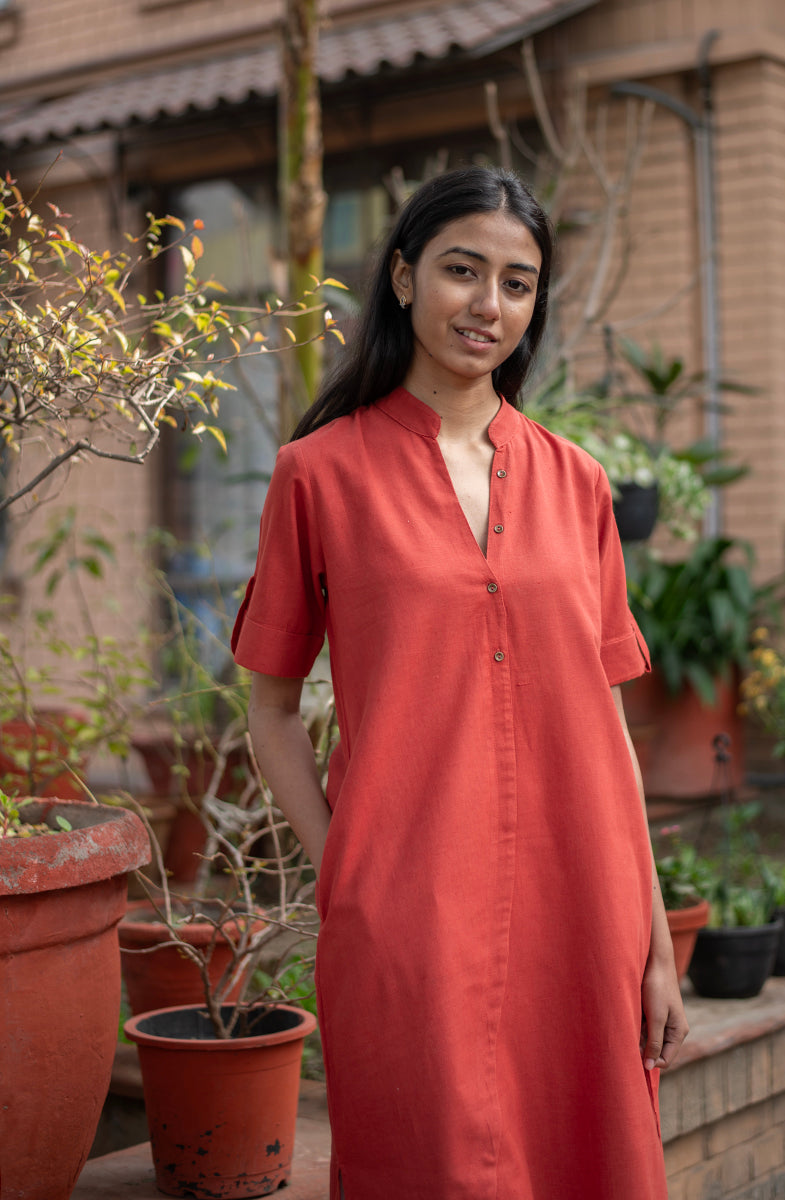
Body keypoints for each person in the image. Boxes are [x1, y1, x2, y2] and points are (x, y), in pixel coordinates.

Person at [232, 165, 688, 1200]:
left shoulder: (576, 482)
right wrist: (347, 870)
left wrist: (655, 946)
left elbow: (608, 727)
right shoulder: (321, 473)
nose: (489, 305)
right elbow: (269, 709)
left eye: (518, 284)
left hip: (585, 907)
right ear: (402, 278)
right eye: (463, 271)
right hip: (409, 916)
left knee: (590, 1160)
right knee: (425, 1163)